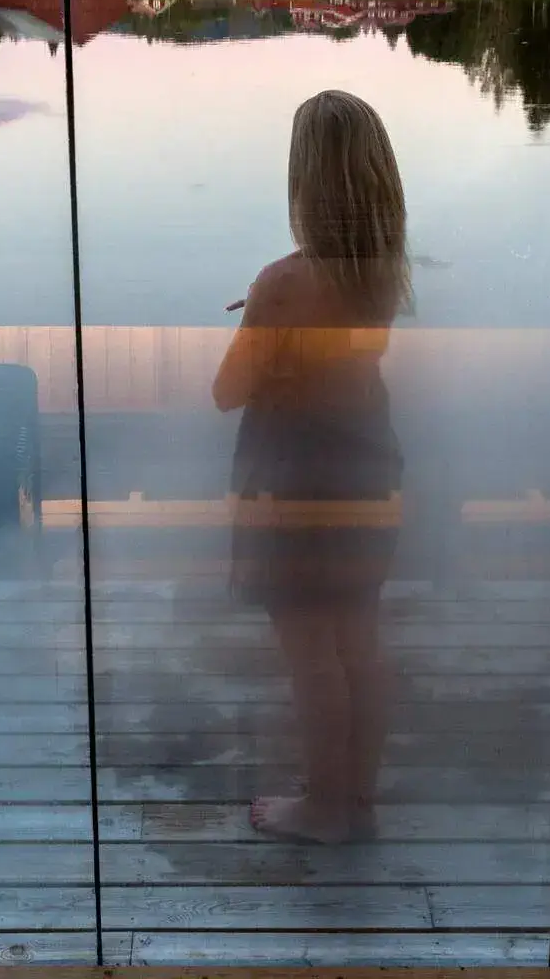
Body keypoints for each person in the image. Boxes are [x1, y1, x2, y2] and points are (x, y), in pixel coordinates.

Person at [212, 88, 410, 845]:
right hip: (368, 474)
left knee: (308, 652)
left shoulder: (283, 281)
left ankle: (323, 810)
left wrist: (263, 314)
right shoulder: (382, 272)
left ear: (306, 182)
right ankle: (355, 794)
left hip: (296, 488)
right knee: (358, 638)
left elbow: (229, 393)